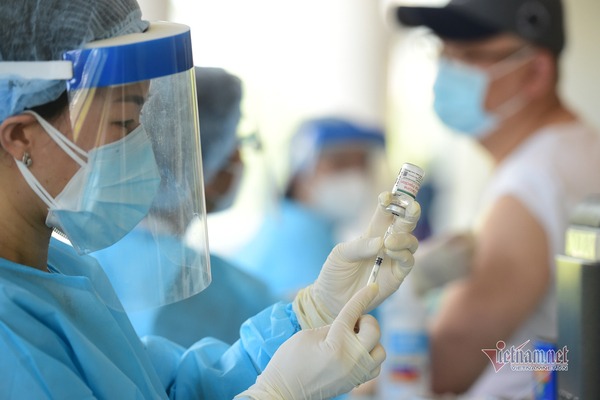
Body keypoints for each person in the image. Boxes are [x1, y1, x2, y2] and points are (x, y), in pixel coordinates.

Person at [0, 1, 421, 399]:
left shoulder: (63, 271)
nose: (145, 146)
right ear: (20, 136)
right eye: (124, 122)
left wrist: (311, 315)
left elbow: (169, 388)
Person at [394, 0, 600, 397]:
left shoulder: (530, 184)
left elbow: (441, 366)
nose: (447, 71)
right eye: (443, 53)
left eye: (470, 55)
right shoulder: (580, 147)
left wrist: (397, 296)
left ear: (536, 72)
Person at [91, 66, 276, 346]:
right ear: (203, 162)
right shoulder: (221, 294)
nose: (240, 159)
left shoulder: (82, 261)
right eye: (237, 142)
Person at [233, 116, 389, 301]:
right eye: (340, 163)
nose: (355, 176)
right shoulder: (299, 236)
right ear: (301, 172)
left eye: (362, 164)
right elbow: (324, 312)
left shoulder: (297, 225)